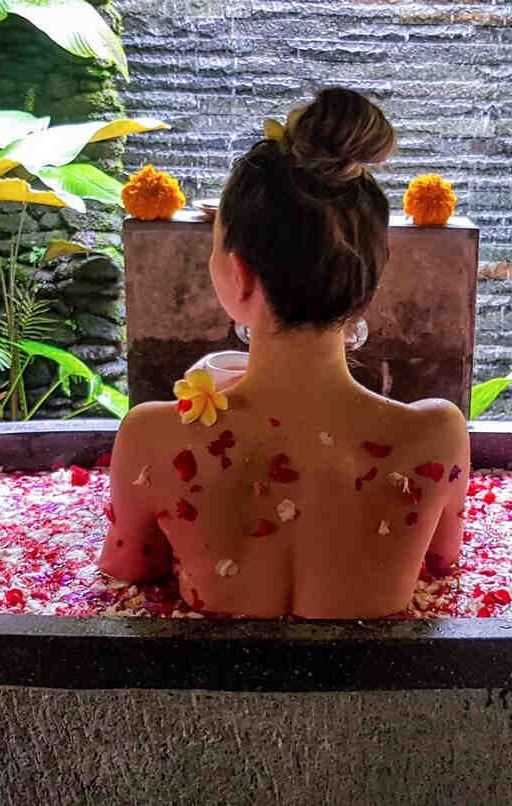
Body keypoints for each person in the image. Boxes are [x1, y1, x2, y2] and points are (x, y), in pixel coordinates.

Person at [98, 88, 469, 618]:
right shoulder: (437, 436)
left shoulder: (153, 438)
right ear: (368, 282)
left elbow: (127, 575)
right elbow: (442, 563)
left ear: (241, 276)